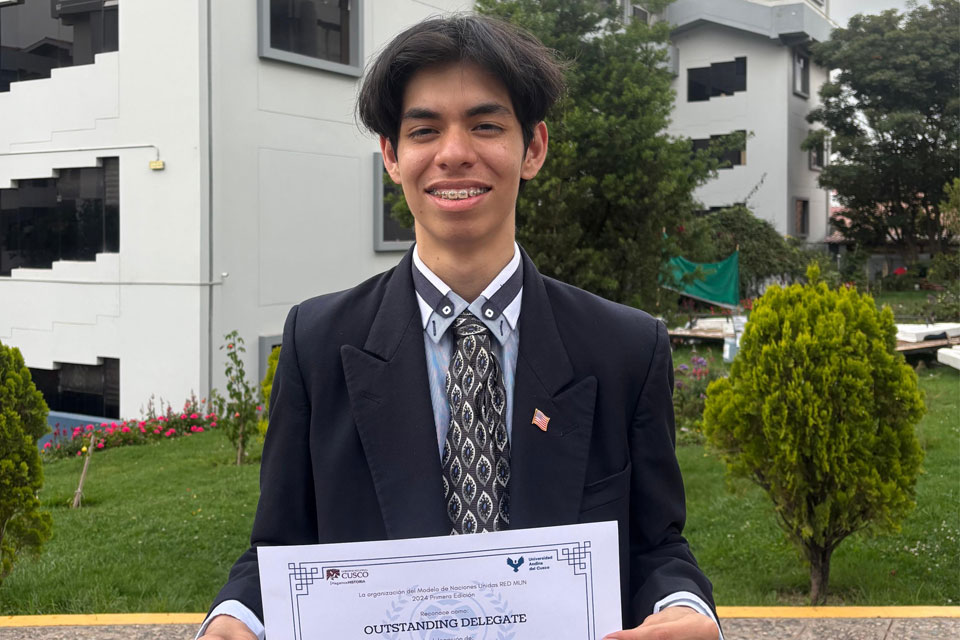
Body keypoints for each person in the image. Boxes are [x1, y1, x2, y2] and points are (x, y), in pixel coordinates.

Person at [199, 14, 720, 640]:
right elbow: (277, 551)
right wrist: (233, 619)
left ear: (533, 148)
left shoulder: (625, 350)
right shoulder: (318, 343)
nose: (453, 153)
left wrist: (687, 610)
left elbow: (658, 545)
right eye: (424, 130)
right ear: (392, 155)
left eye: (485, 125)